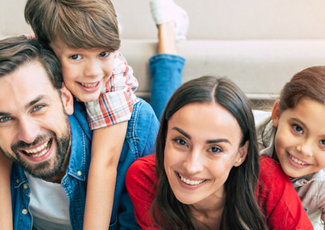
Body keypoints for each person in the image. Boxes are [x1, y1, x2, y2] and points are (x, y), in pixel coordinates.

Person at [0, 0, 156, 229]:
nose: (93, 71)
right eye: (76, 56)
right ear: (51, 50)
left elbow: (106, 163)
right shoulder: (24, 62)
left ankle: (167, 33)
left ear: (64, 98)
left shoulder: (115, 87)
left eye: (103, 52)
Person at [126, 76, 313, 229]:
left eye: (215, 149)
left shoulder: (268, 179)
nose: (192, 166)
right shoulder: (145, 177)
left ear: (241, 154)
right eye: (181, 141)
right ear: (164, 138)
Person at [254, 66, 325, 230]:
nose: (304, 149)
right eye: (298, 129)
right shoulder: (241, 134)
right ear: (277, 114)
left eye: (324, 142)